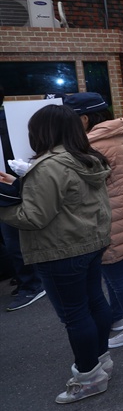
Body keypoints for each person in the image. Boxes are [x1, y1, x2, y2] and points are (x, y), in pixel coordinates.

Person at [0, 104, 114, 403]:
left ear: (43, 131)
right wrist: (18, 185)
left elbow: (33, 217)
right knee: (95, 303)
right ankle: (100, 360)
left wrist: (5, 205)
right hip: (89, 242)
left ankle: (88, 376)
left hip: (61, 249)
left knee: (75, 315)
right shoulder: (86, 158)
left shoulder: (49, 165)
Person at [65, 93, 123, 349]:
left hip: (108, 215)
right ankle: (118, 318)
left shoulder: (95, 143)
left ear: (84, 119)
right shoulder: (118, 133)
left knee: (117, 274)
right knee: (115, 270)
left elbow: (82, 182)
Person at [0, 86, 47, 311]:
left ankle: (32, 284)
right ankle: (28, 280)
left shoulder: (11, 120)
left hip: (15, 186)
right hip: (15, 183)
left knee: (15, 239)